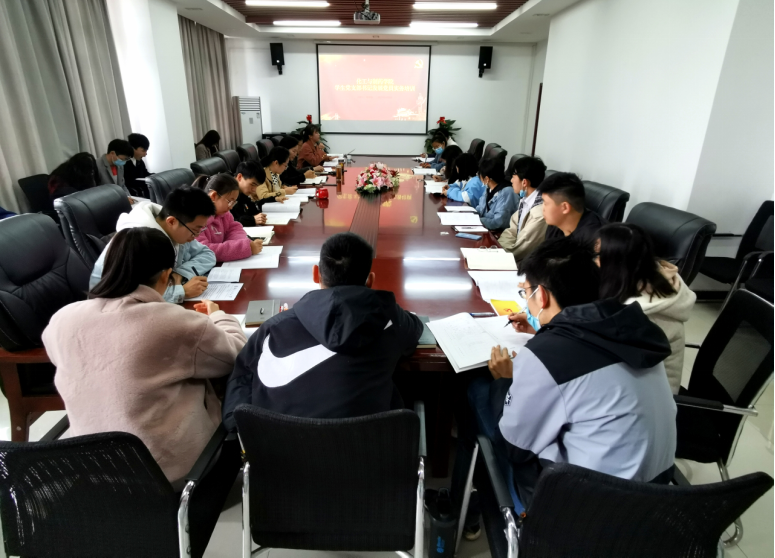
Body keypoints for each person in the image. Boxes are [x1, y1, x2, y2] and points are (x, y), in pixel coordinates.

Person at [43, 227, 246, 558]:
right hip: (169, 474)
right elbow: (235, 354)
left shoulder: (62, 319)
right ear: (166, 275)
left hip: (89, 465)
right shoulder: (171, 322)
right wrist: (218, 316)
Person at [484, 238, 676, 510]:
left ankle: (475, 507)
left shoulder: (546, 355)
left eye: (525, 292)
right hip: (658, 500)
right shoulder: (635, 330)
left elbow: (515, 447)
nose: (526, 301)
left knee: (478, 395)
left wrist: (504, 382)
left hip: (583, 510)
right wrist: (545, 330)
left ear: (542, 295)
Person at [222, 232, 424, 429]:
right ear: (370, 280)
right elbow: (415, 329)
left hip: (280, 449)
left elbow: (240, 381)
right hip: (367, 448)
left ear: (315, 274)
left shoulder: (273, 328)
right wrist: (387, 308)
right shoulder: (390, 320)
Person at [596, 223, 696, 393]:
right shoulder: (651, 276)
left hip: (651, 395)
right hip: (635, 379)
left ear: (615, 265)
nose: (594, 261)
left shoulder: (640, 314)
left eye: (598, 256)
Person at [90, 187, 216, 303]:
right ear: (172, 221)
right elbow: (126, 298)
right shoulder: (140, 242)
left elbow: (207, 254)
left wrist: (180, 275)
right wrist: (181, 292)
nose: (196, 236)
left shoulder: (176, 228)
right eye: (195, 230)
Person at [193, 173, 263, 262]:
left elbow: (234, 228)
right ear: (213, 196)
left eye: (234, 203)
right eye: (230, 201)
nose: (231, 207)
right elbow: (204, 251)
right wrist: (244, 248)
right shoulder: (196, 219)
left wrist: (237, 245)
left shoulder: (224, 214)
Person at [498, 156, 548, 263]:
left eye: (513, 177)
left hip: (530, 265)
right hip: (514, 257)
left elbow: (522, 248)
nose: (511, 180)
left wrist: (498, 253)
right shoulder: (525, 199)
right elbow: (511, 231)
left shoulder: (541, 212)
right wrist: (499, 248)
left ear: (524, 182)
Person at [540, 172, 605, 248]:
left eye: (545, 203)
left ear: (565, 207)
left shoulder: (595, 242)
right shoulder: (555, 224)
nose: (542, 208)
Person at [475, 158, 517, 232]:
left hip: (499, 232)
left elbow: (499, 222)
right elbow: (481, 208)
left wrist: (477, 220)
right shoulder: (489, 188)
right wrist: (471, 214)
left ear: (487, 179)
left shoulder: (506, 193)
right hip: (487, 228)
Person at [231, 161, 268, 227]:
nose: (254, 190)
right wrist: (252, 220)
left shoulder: (242, 192)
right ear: (239, 177)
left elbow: (252, 210)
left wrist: (259, 216)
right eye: (252, 184)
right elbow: (228, 222)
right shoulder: (226, 192)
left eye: (257, 186)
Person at [124, 133, 151, 198]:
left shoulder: (140, 161)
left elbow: (145, 174)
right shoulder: (123, 163)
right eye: (143, 151)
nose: (145, 154)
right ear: (132, 148)